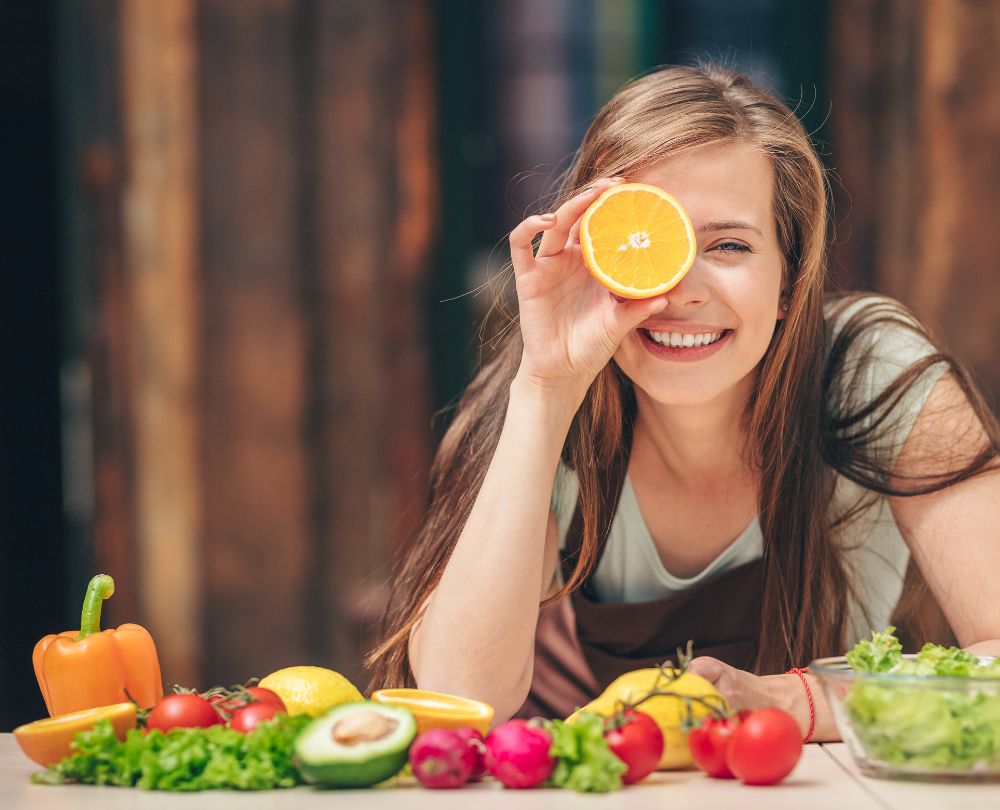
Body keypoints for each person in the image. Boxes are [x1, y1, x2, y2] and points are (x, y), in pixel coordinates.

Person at [366, 63, 1000, 742]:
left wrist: (794, 705)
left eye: (729, 244)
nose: (680, 291)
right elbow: (460, 701)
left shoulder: (869, 374)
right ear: (594, 256)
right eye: (647, 246)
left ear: (789, 279)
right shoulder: (544, 400)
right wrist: (547, 387)